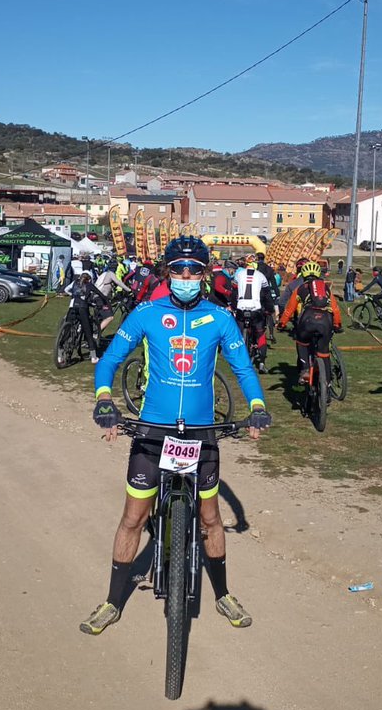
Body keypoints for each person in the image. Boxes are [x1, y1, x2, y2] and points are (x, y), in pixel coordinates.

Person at [81, 236, 271, 636]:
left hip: (201, 434)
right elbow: (111, 359)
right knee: (133, 519)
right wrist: (103, 401)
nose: (186, 276)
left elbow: (243, 370)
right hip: (153, 431)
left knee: (210, 517)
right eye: (179, 269)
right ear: (168, 273)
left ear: (205, 274)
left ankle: (222, 593)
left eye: (195, 270)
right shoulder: (145, 313)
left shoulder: (220, 319)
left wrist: (256, 406)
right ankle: (112, 601)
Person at [278, 261, 343, 391]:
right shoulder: (325, 288)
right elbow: (335, 309)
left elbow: (289, 310)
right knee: (324, 353)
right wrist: (337, 324)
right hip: (325, 321)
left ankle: (306, 370)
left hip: (308, 319)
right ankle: (327, 384)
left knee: (301, 343)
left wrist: (282, 323)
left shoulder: (300, 289)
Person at [233, 258, 273, 373]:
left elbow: (234, 290)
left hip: (241, 307)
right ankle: (261, 363)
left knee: (239, 335)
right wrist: (269, 309)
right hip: (255, 308)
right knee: (260, 334)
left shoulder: (238, 274)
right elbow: (267, 294)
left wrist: (234, 305)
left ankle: (238, 361)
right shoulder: (261, 276)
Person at [64, 271, 110, 363]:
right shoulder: (89, 285)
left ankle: (61, 350)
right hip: (82, 308)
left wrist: (72, 295)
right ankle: (93, 357)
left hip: (72, 307)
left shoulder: (74, 282)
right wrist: (106, 302)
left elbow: (66, 290)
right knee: (88, 331)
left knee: (67, 330)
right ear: (90, 279)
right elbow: (100, 294)